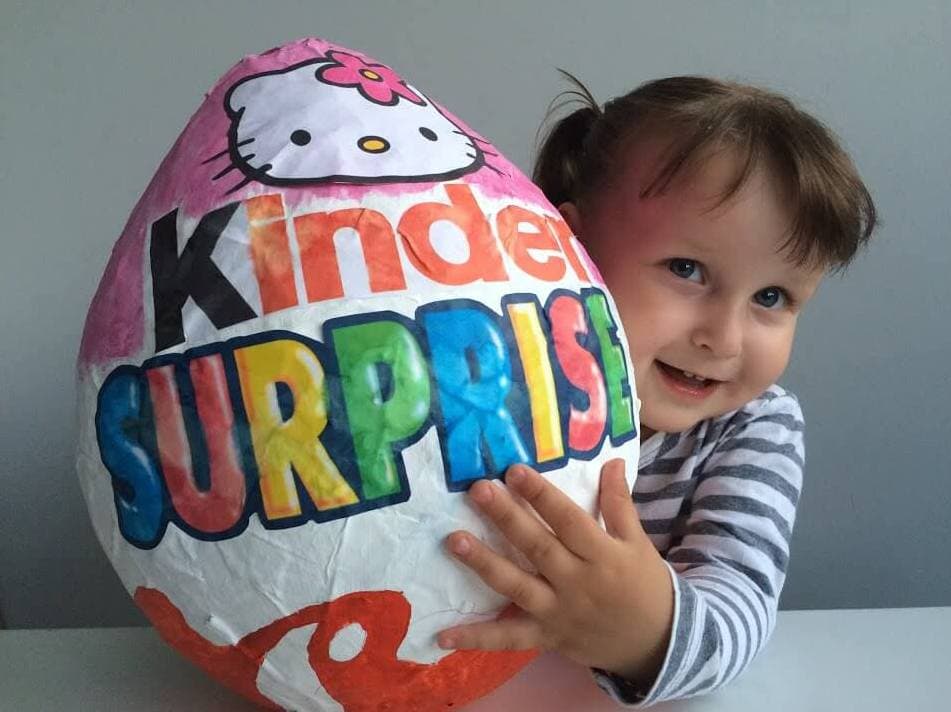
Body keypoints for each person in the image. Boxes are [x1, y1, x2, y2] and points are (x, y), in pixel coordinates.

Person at [435, 74, 876, 706]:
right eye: (687, 270)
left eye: (772, 297)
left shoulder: (753, 426)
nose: (724, 337)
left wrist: (644, 634)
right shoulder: (492, 379)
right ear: (564, 250)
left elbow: (740, 609)